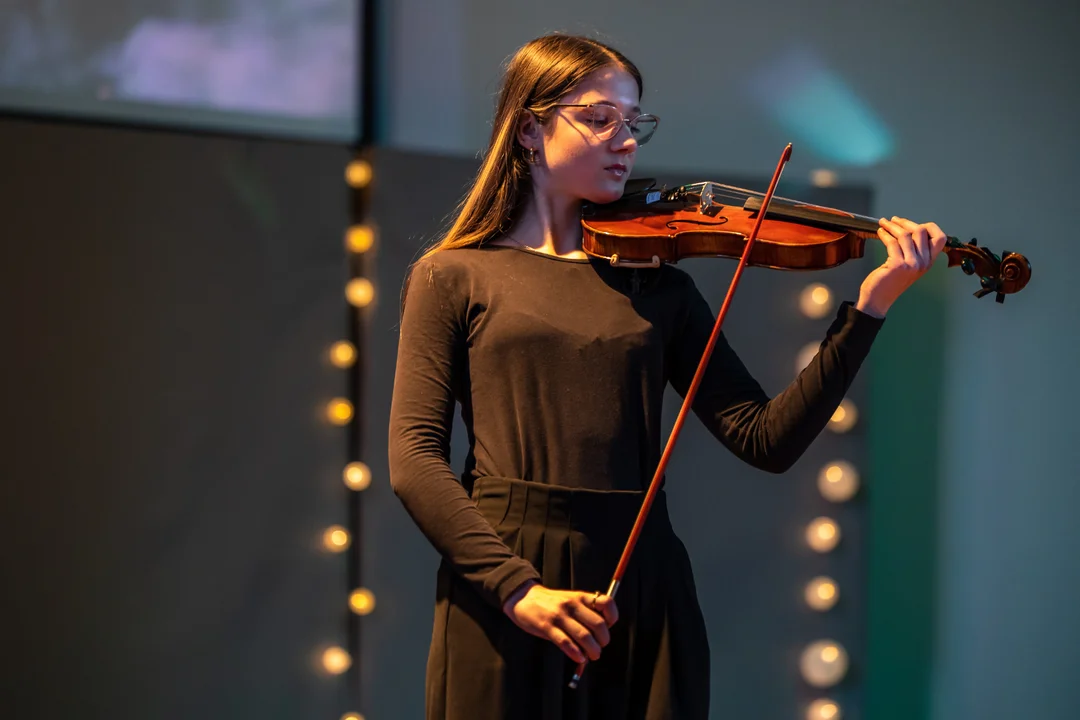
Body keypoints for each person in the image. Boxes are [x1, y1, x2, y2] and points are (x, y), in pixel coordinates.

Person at [387, 33, 947, 720]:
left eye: (634, 123)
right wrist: (516, 589)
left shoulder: (662, 290)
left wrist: (872, 305)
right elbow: (414, 459)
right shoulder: (453, 275)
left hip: (640, 582)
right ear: (530, 129)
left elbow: (765, 439)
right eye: (599, 118)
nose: (625, 141)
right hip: (505, 578)